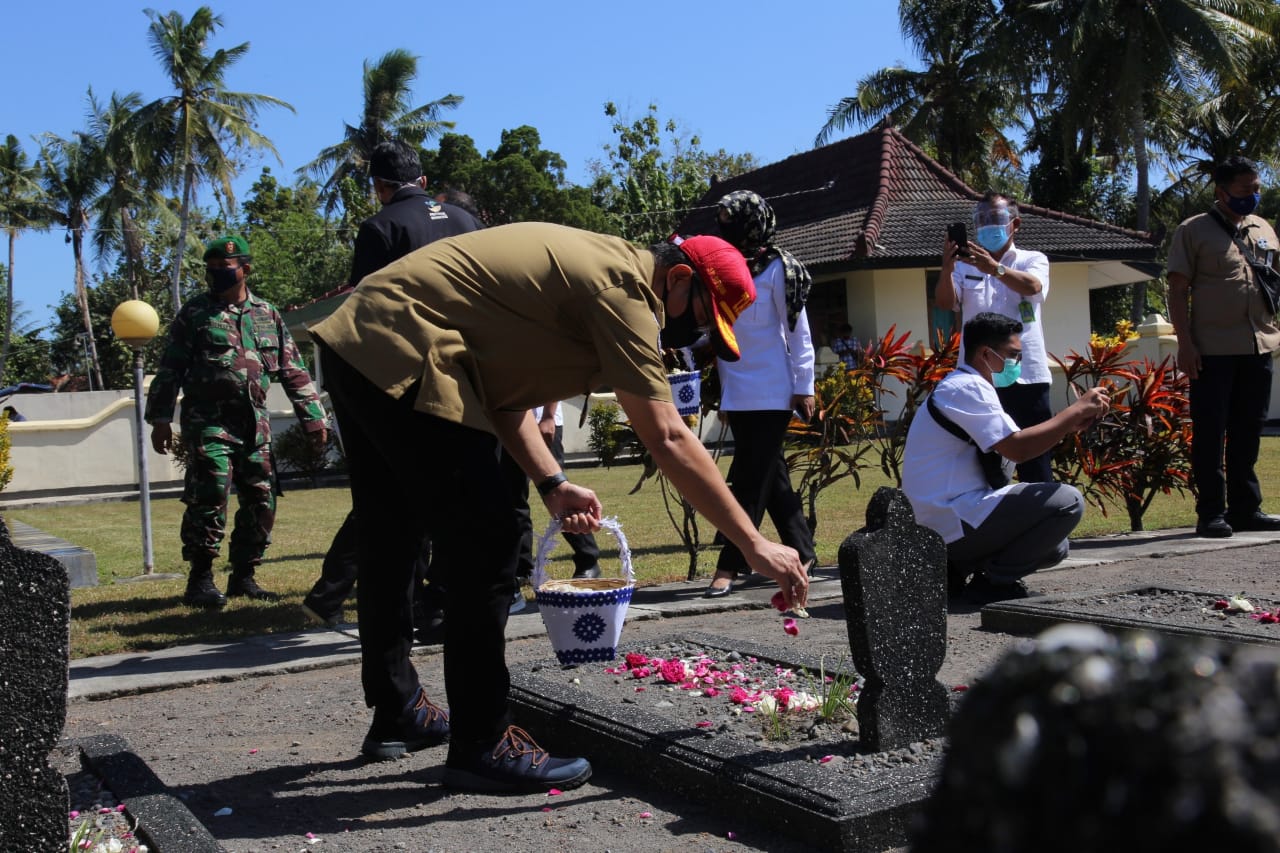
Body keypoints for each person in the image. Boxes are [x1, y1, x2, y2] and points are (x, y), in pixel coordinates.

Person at [307, 222, 807, 794]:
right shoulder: (624, 288)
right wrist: (753, 542)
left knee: (392, 534)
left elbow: (499, 394)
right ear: (678, 277)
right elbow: (667, 436)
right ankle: (484, 741)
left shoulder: (594, 276)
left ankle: (398, 707)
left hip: (362, 342)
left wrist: (550, 481)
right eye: (697, 317)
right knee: (489, 541)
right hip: (405, 342)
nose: (689, 334)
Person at [302, 140, 484, 628]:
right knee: (453, 495)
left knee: (394, 495)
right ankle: (436, 600)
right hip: (465, 372)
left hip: (406, 375)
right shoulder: (467, 222)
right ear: (422, 181)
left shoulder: (380, 227)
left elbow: (369, 309)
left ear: (380, 188)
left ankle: (395, 603)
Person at [146, 235, 328, 609]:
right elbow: (170, 369)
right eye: (210, 270)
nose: (216, 275)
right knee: (210, 492)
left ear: (245, 269)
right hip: (208, 423)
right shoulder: (195, 314)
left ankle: (244, 576)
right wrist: (161, 418)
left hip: (254, 427)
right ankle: (200, 578)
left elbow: (294, 372)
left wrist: (313, 418)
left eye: (224, 269)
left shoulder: (268, 315)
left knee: (262, 499)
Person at [902, 313, 1109, 603]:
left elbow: (1015, 445)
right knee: (1068, 502)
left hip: (954, 515)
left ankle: (956, 571)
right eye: (1013, 355)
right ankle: (991, 584)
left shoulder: (970, 386)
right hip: (946, 519)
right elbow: (1018, 449)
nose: (1016, 364)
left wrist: (1069, 424)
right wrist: (1074, 410)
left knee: (1055, 546)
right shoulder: (965, 388)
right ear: (986, 354)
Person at [703, 190, 818, 598]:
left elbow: (798, 332)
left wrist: (805, 386)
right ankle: (803, 550)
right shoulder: (718, 267)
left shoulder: (781, 269)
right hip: (737, 387)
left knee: (748, 479)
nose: (725, 227)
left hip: (773, 390)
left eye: (732, 219)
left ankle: (731, 564)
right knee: (772, 476)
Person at [1167, 156, 1280, 538]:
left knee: (1250, 430)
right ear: (1222, 191)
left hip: (1258, 344)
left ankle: (1247, 509)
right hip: (1212, 348)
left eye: (1256, 187)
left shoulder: (1263, 228)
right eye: (1246, 189)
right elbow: (1178, 290)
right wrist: (1186, 344)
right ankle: (1211, 512)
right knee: (1211, 432)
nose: (1254, 195)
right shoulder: (1193, 230)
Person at [938, 193, 1055, 483]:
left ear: (1014, 224)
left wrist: (996, 269)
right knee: (985, 463)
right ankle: (998, 525)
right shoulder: (965, 266)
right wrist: (947, 269)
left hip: (1026, 375)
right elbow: (944, 303)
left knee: (1035, 459)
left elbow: (1034, 287)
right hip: (980, 379)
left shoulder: (1032, 259)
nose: (988, 226)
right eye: (982, 220)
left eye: (995, 219)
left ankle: (1043, 524)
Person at [506, 400, 601, 615]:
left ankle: (588, 559)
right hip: (508, 421)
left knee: (558, 494)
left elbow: (546, 374)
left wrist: (548, 416)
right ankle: (521, 572)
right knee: (513, 499)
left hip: (542, 421)